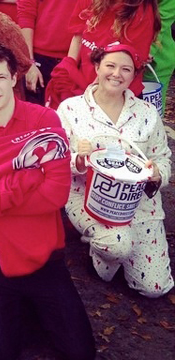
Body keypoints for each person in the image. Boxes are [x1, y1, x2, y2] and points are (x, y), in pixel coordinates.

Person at [0, 42, 95, 360]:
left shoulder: (45, 120)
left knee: (81, 352)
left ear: (14, 78)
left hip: (44, 252)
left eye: (0, 77)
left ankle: (32, 308)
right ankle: (25, 309)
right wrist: (28, 178)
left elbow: (56, 194)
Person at [57, 43, 173, 298]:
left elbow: (162, 158)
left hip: (139, 204)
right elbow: (55, 160)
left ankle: (123, 251)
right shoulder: (70, 109)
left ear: (134, 75)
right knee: (117, 245)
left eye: (126, 69)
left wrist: (158, 172)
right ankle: (103, 257)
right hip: (89, 199)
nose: (117, 74)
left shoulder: (146, 112)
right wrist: (78, 159)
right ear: (97, 67)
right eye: (110, 65)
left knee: (154, 289)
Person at [53, 0, 159, 105]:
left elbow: (125, 65)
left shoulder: (142, 13)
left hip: (117, 90)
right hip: (84, 85)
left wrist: (95, 95)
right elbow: (78, 37)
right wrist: (67, 70)